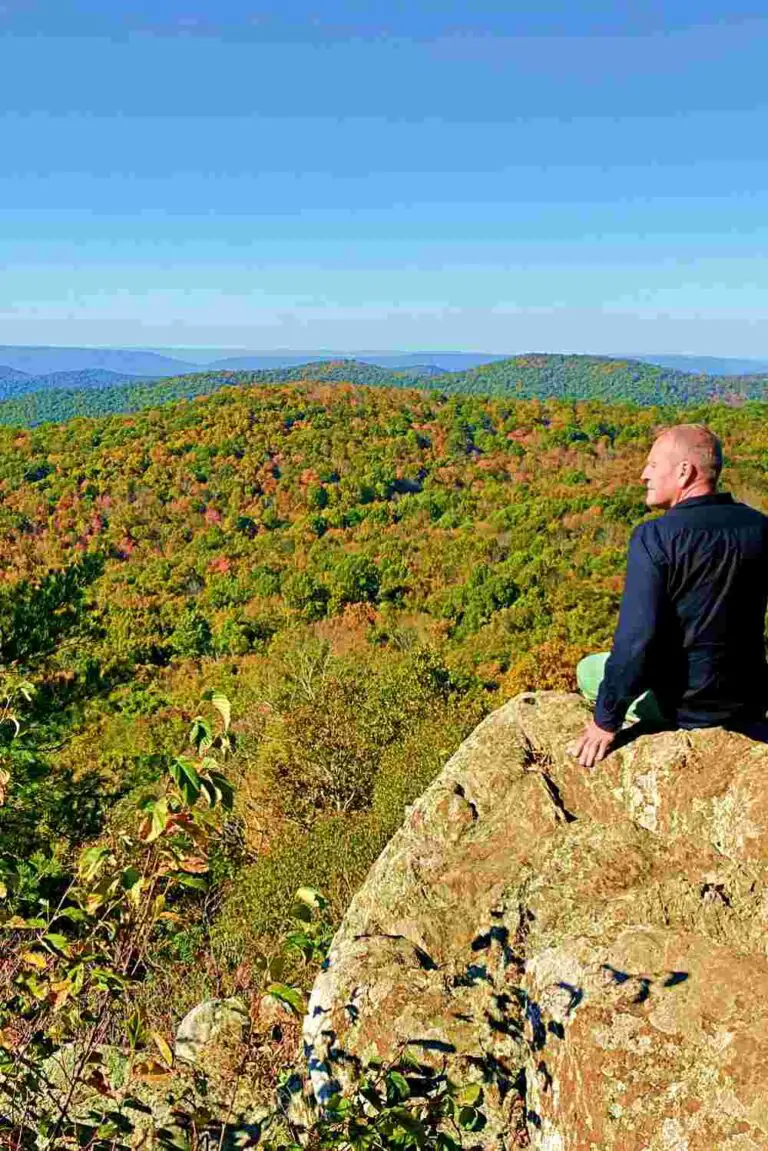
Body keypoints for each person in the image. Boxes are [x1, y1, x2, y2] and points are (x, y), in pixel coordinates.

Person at [571, 423, 768, 769]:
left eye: (652, 465)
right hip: (747, 700)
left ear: (683, 471)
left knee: (588, 669)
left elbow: (636, 640)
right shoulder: (760, 527)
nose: (643, 475)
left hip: (684, 706)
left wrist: (605, 720)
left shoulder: (655, 537)